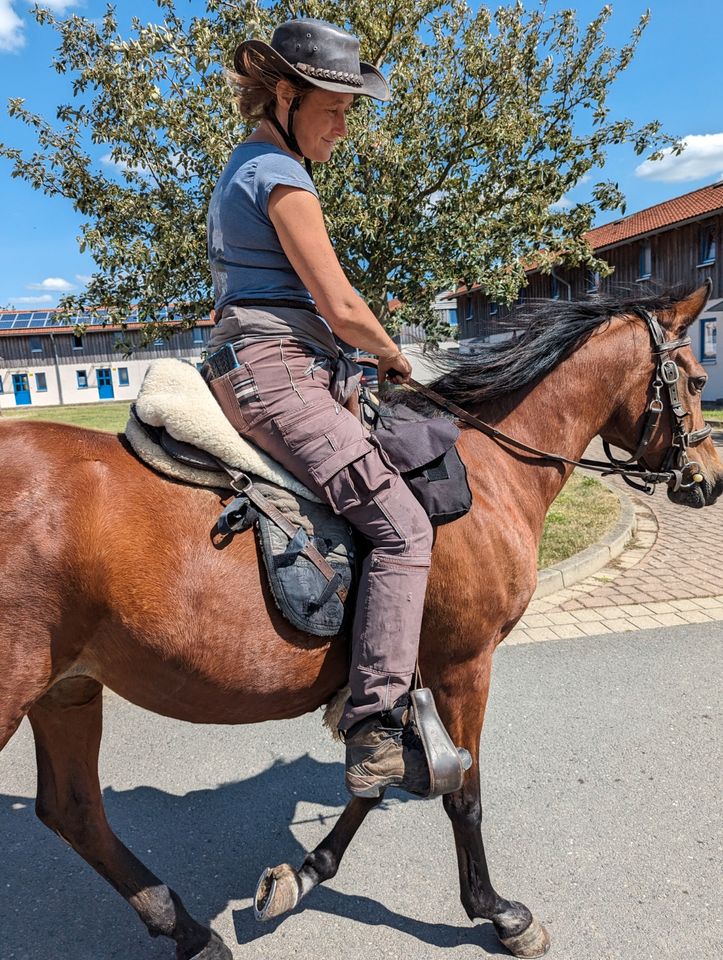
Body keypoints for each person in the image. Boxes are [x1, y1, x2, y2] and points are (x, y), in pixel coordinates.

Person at [206, 18, 433, 798]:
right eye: (332, 108)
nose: (342, 127)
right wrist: (395, 356)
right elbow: (339, 305)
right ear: (284, 94)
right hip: (279, 372)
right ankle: (374, 724)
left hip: (262, 363)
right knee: (403, 529)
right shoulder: (278, 172)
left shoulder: (249, 166)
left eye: (348, 110)